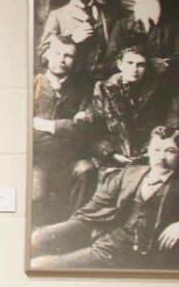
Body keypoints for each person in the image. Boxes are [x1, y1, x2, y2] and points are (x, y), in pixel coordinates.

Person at [31, 125, 179, 269]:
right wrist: (51, 233)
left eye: (170, 151)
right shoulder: (130, 174)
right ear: (148, 151)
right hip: (108, 241)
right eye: (157, 150)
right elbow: (93, 209)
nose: (161, 157)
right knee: (39, 239)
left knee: (40, 265)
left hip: (136, 255)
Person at [73, 45, 168, 177]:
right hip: (110, 160)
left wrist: (146, 153)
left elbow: (159, 127)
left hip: (144, 159)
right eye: (130, 63)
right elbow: (93, 130)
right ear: (120, 65)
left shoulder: (155, 93)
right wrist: (112, 154)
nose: (134, 69)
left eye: (140, 65)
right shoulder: (103, 89)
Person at [31, 35, 96, 226]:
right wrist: (69, 125)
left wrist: (45, 125)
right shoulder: (34, 83)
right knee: (36, 192)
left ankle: (75, 229)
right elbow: (23, 127)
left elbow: (86, 126)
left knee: (86, 170)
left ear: (75, 60)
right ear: (48, 54)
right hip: (39, 162)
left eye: (68, 55)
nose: (61, 59)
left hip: (70, 161)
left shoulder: (83, 87)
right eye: (57, 53)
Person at [40, 0, 111, 81]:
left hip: (104, 80)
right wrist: (72, 40)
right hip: (72, 83)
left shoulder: (108, 13)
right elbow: (42, 58)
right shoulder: (57, 15)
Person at [107, 0, 179, 81]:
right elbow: (109, 62)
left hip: (163, 86)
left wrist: (166, 63)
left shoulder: (173, 25)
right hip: (131, 88)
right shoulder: (122, 25)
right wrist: (148, 63)